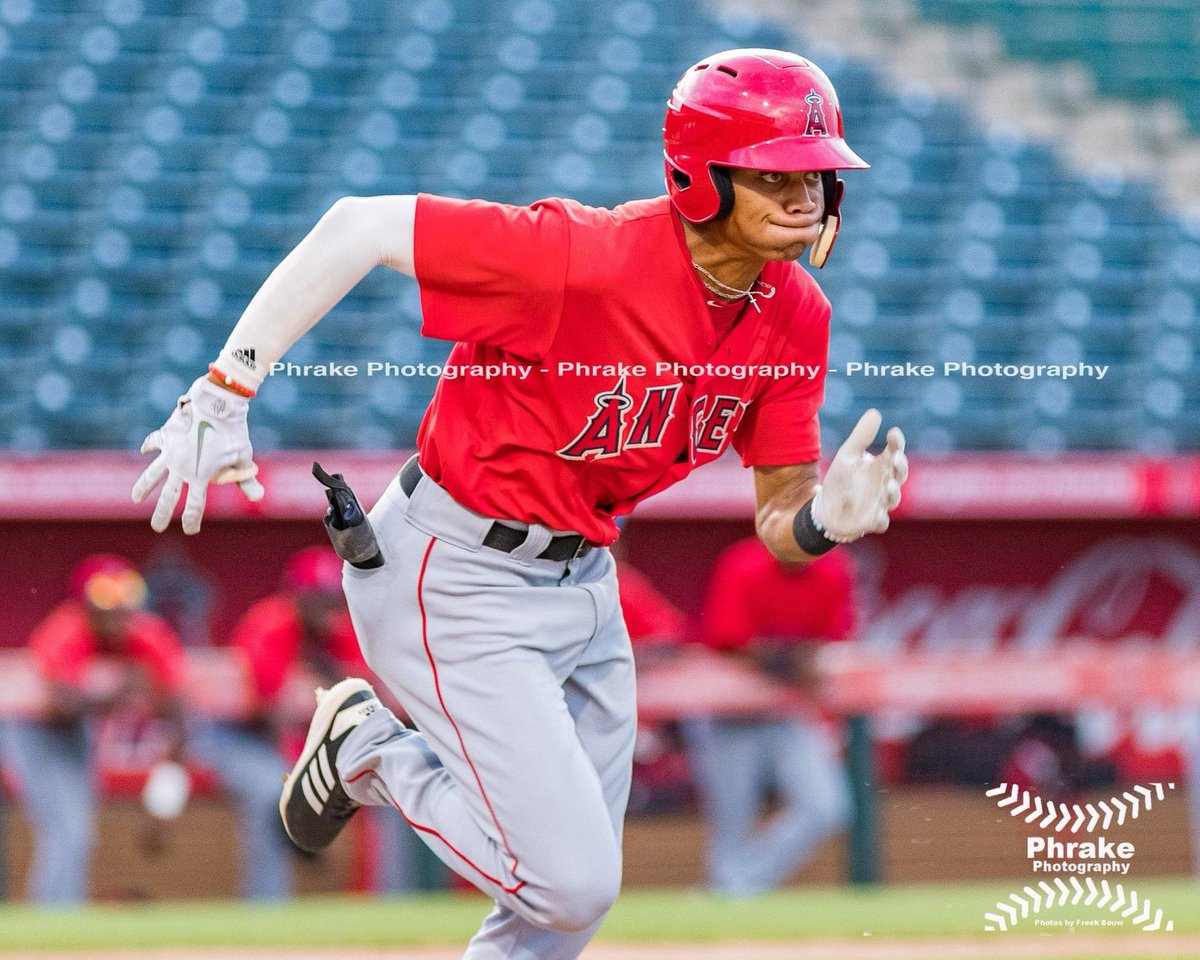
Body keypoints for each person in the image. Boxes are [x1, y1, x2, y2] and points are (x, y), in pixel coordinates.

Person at [131, 49, 907, 959]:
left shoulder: (795, 314)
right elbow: (357, 226)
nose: (806, 194)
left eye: (817, 173)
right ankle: (365, 749)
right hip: (454, 568)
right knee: (570, 884)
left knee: (553, 919)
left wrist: (822, 522)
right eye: (776, 173)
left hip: (585, 581)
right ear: (703, 177)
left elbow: (780, 516)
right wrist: (226, 388)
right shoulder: (584, 254)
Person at [192, 545, 423, 899]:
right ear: (297, 595)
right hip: (239, 738)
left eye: (332, 598)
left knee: (390, 784)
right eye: (317, 598)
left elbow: (373, 699)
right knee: (275, 792)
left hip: (311, 743)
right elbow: (277, 715)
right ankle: (268, 911)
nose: (327, 608)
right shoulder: (270, 624)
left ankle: (391, 904)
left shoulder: (343, 630)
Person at [0, 554, 187, 905]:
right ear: (85, 601)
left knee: (78, 832)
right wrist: (113, 693)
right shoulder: (66, 628)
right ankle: (52, 925)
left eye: (126, 593)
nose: (117, 608)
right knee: (65, 831)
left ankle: (63, 917)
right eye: (105, 595)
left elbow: (178, 716)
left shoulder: (147, 635)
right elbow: (64, 708)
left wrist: (165, 802)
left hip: (75, 733)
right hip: (32, 729)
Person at [683, 538, 856, 894]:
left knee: (826, 807)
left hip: (784, 709)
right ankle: (730, 900)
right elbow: (730, 644)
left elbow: (832, 643)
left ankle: (735, 889)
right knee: (732, 823)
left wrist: (793, 662)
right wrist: (795, 662)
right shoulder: (744, 563)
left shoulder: (833, 569)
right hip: (727, 710)